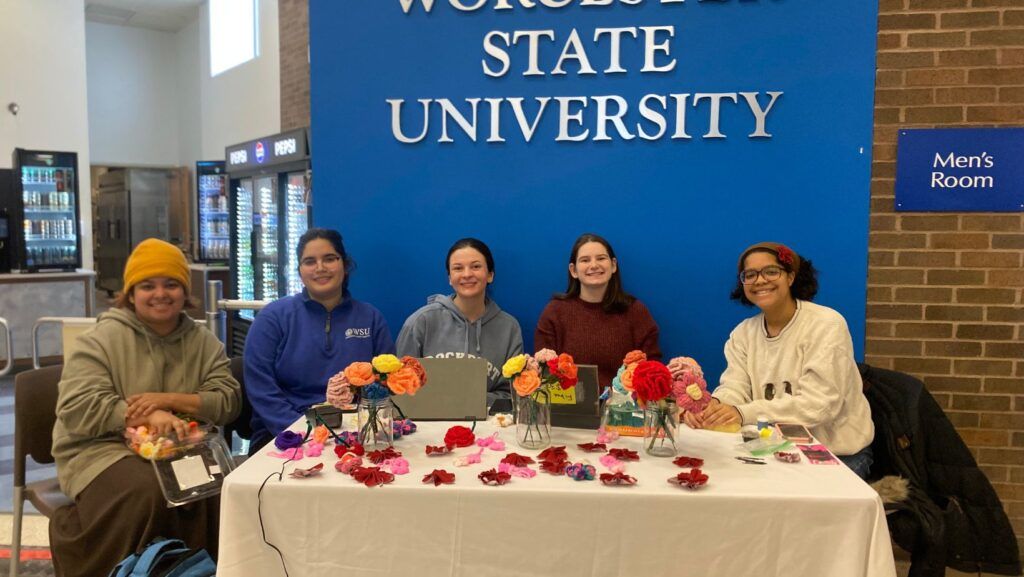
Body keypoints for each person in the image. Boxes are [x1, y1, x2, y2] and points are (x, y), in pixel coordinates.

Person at [50, 238, 240, 577]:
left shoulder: (202, 343)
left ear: (185, 291)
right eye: (148, 285)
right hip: (100, 451)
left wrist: (168, 400)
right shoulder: (101, 340)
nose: (160, 293)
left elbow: (227, 401)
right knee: (149, 492)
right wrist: (144, 414)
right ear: (131, 292)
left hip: (179, 449)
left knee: (211, 487)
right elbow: (77, 408)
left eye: (171, 284)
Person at [691, 241, 875, 479]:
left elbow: (818, 406)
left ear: (790, 277)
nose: (760, 280)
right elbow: (735, 387)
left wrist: (741, 412)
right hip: (773, 448)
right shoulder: (743, 333)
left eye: (771, 271)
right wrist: (716, 406)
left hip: (836, 453)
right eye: (750, 274)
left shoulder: (826, 324)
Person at [244, 228, 394, 452]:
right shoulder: (272, 318)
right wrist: (303, 432)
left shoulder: (370, 318)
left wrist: (358, 430)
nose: (320, 268)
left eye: (329, 259)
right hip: (285, 435)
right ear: (299, 270)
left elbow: (385, 385)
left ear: (344, 264)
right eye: (309, 261)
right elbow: (261, 390)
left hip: (358, 434)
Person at [397, 238, 523, 405]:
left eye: (476, 266)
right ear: (450, 278)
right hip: (428, 424)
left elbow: (512, 395)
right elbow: (400, 387)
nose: (467, 274)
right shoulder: (421, 322)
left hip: (489, 425)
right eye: (458, 268)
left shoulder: (509, 328)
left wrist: (469, 400)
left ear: (490, 275)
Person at [534, 233, 661, 389]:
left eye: (601, 258)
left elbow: (653, 369)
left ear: (613, 265)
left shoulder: (636, 312)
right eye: (585, 260)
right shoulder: (554, 312)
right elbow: (544, 373)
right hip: (569, 409)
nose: (594, 265)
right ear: (573, 270)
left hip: (624, 409)